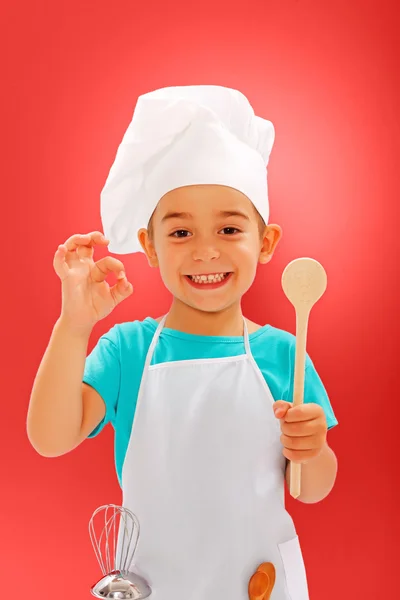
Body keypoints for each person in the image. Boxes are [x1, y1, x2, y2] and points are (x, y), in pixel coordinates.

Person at [27, 86, 338, 600]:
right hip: (155, 585)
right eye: (180, 234)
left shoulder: (284, 353)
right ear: (148, 245)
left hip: (256, 584)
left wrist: (313, 448)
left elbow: (312, 488)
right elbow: (49, 437)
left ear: (265, 244)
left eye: (229, 228)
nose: (206, 252)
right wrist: (73, 325)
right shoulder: (127, 350)